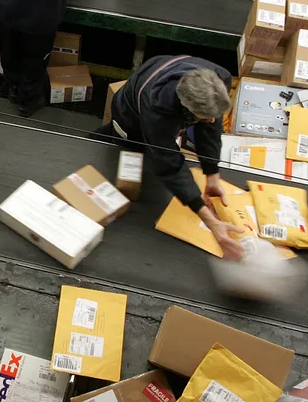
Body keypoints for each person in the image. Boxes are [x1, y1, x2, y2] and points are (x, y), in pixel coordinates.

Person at [96, 55, 245, 260]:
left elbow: (211, 127)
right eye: (205, 116)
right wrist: (211, 222)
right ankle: (97, 139)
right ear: (185, 106)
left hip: (161, 77)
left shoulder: (219, 79)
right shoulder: (157, 110)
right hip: (131, 115)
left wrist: (212, 173)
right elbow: (169, 165)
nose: (212, 119)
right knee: (130, 150)